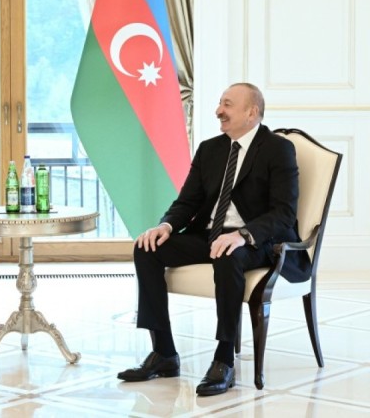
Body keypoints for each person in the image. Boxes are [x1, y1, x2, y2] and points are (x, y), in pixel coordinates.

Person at [117, 83, 310, 396]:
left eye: (227, 104)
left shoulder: (277, 148)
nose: (218, 111)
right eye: (220, 103)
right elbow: (188, 201)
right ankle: (164, 353)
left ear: (252, 112)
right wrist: (166, 225)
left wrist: (242, 235)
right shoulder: (210, 149)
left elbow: (284, 213)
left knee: (227, 253)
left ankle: (223, 360)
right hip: (210, 234)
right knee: (147, 248)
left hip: (258, 241)